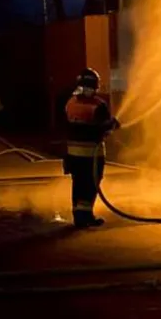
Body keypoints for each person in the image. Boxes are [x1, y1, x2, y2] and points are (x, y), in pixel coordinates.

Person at [63, 68, 120, 228]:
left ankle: (79, 216)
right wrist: (112, 125)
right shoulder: (98, 105)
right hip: (92, 156)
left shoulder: (70, 103)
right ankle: (86, 216)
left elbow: (71, 127)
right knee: (90, 185)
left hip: (73, 155)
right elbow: (101, 128)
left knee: (78, 184)